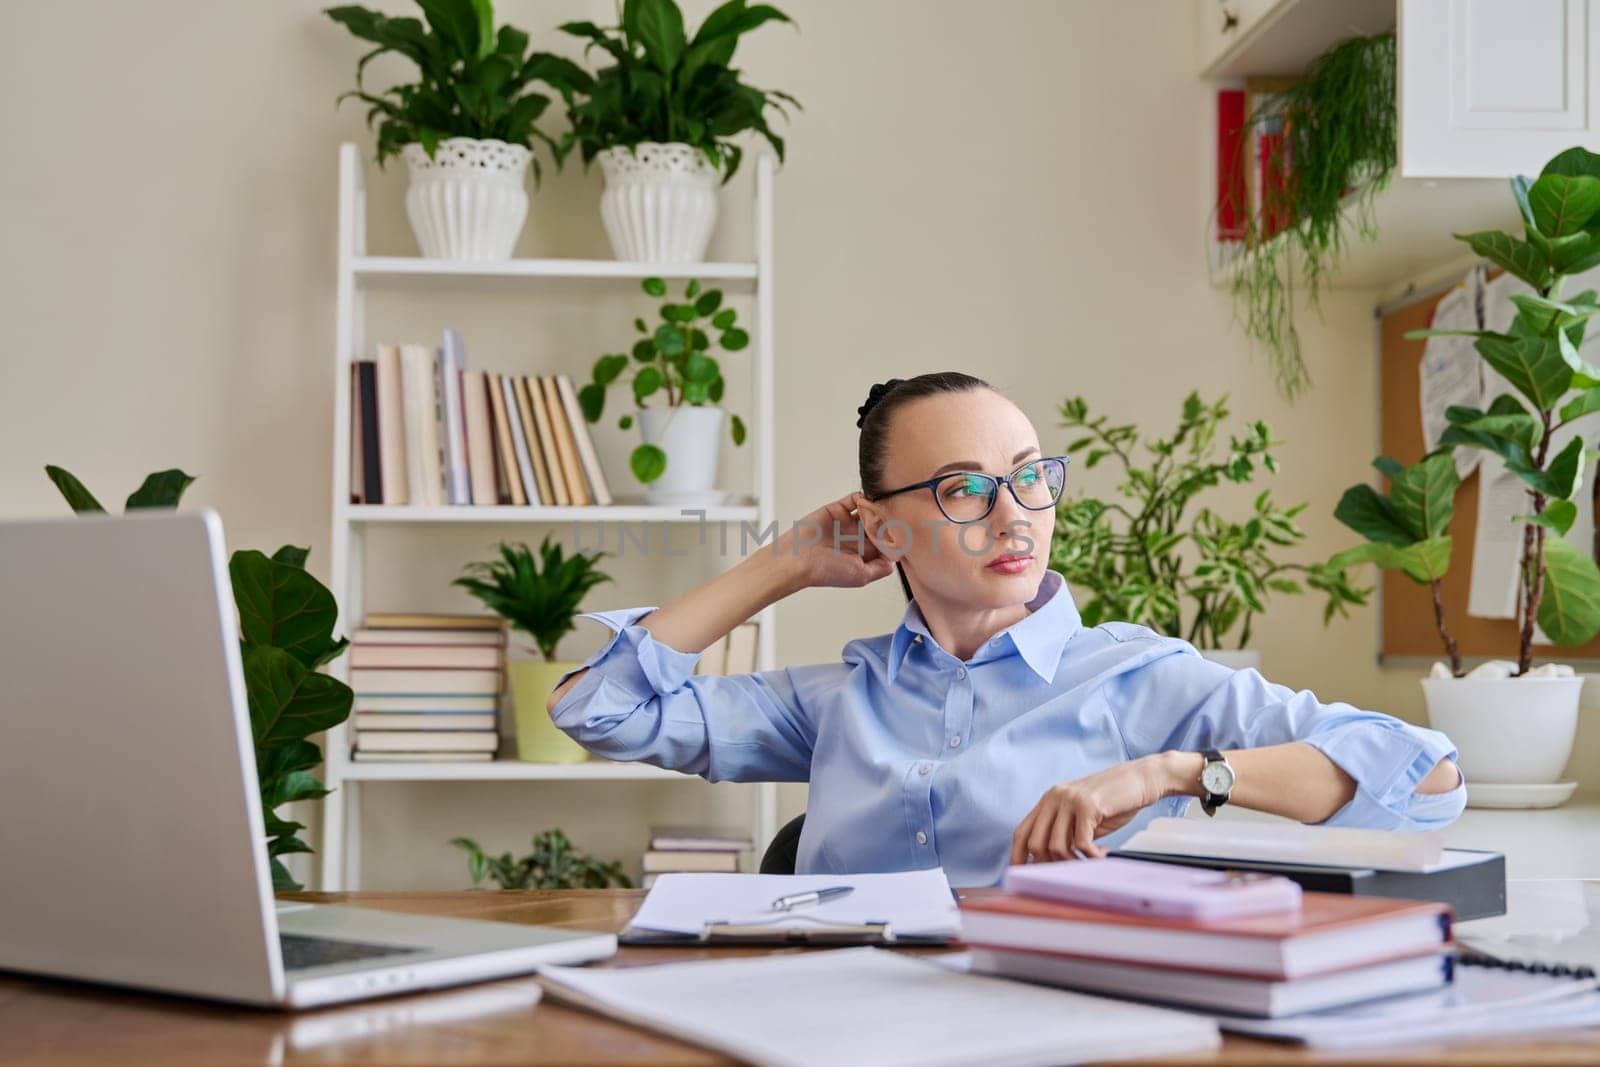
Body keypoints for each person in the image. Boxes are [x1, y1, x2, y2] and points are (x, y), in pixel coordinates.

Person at [546, 372, 1465, 886]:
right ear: (883, 523)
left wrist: (1173, 772)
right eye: (963, 488)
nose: (1012, 512)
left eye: (1030, 475)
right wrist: (783, 562)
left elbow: (1426, 776)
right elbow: (600, 708)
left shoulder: (1140, 679)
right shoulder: (834, 700)